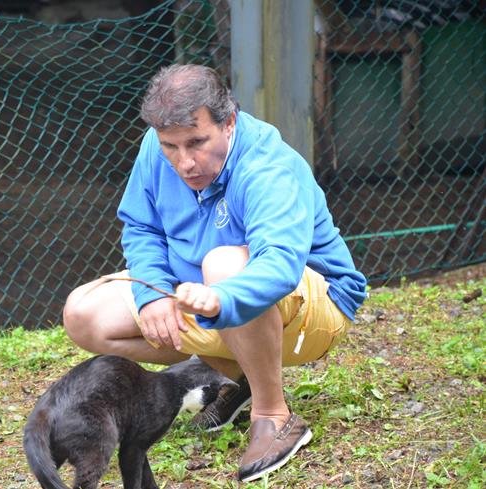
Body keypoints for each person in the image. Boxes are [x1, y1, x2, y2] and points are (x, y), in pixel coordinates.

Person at [62, 64, 367, 482]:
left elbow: (279, 264)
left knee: (224, 266)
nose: (185, 162)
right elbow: (142, 227)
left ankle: (274, 416)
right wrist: (154, 294)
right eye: (171, 146)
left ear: (229, 122)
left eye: (197, 143)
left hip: (313, 308)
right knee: (83, 314)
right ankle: (235, 377)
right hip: (206, 298)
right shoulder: (157, 147)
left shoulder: (265, 164)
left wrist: (222, 297)